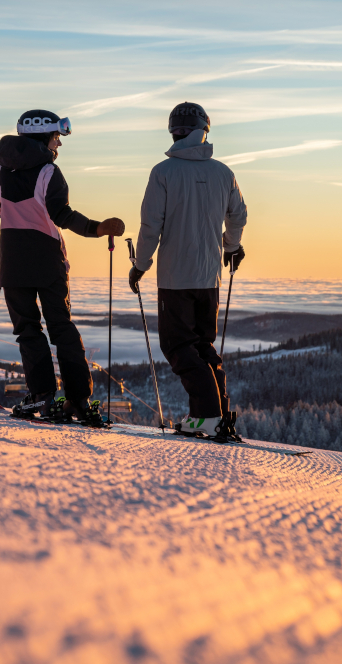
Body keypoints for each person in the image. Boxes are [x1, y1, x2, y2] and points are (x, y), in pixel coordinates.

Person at [0, 109, 125, 422]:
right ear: (44, 137)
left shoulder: (2, 174)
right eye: (57, 137)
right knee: (61, 328)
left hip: (14, 262)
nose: (59, 144)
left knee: (28, 331)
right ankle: (78, 401)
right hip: (48, 260)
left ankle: (42, 399)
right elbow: (63, 215)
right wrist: (99, 228)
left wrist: (5, 188)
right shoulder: (49, 173)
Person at [129, 102, 247, 437]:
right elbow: (238, 215)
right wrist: (231, 246)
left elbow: (151, 225)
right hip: (209, 276)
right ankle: (218, 414)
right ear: (204, 131)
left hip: (175, 278)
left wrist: (140, 266)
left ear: (174, 132)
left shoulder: (163, 172)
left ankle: (207, 416)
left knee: (179, 346)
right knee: (203, 345)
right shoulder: (223, 173)